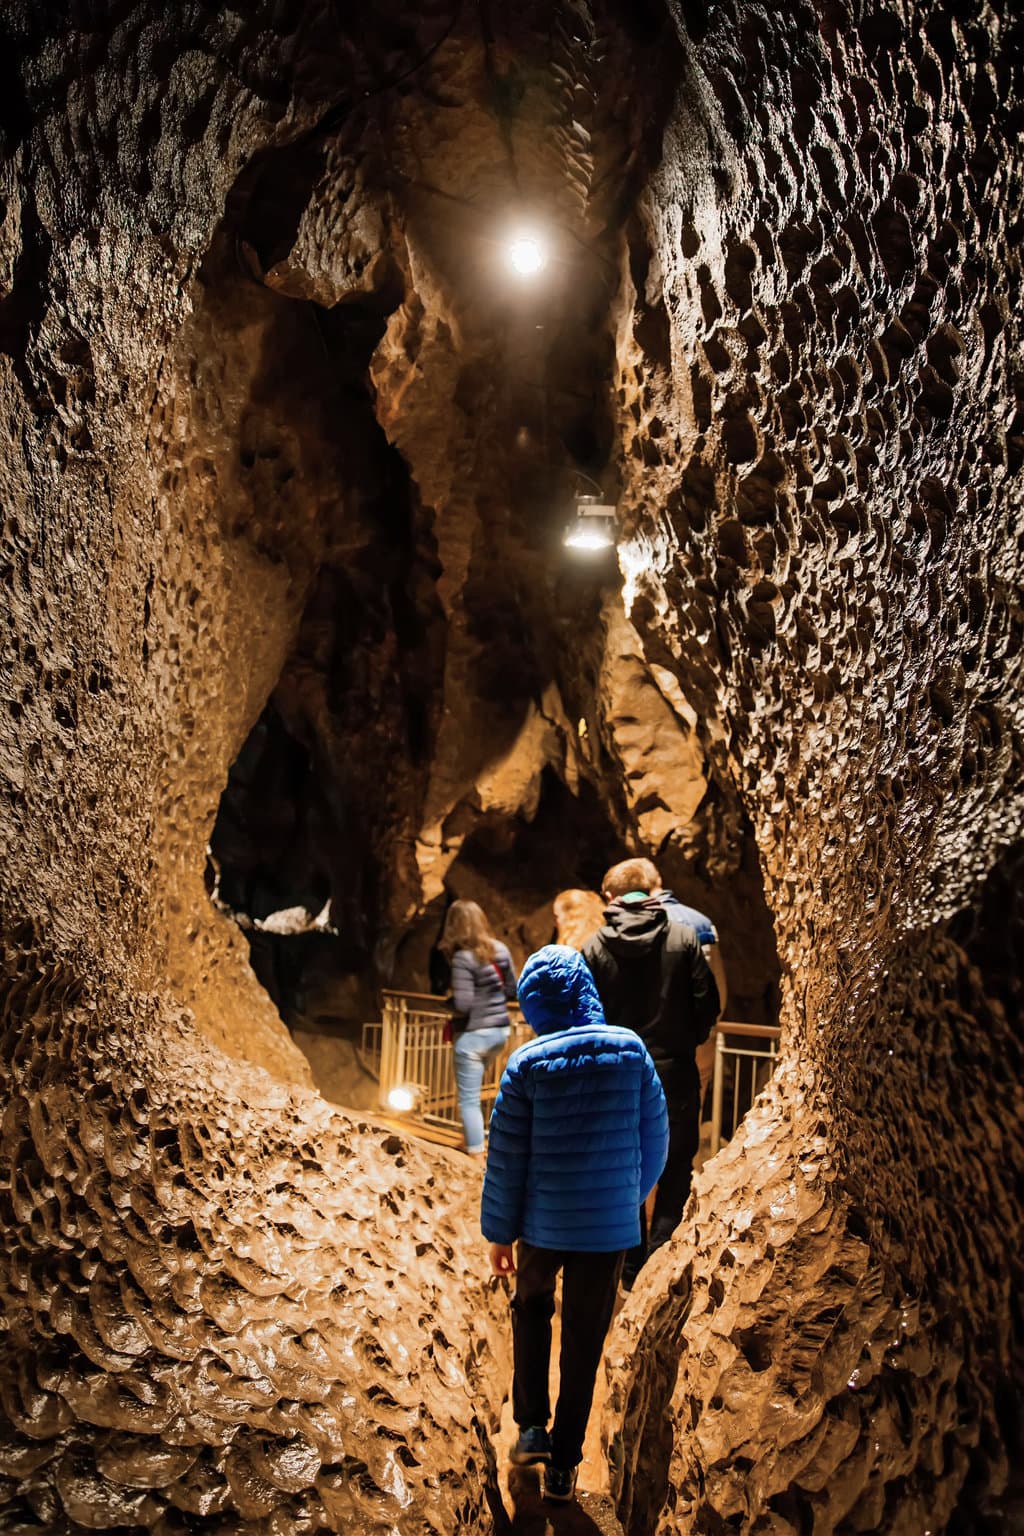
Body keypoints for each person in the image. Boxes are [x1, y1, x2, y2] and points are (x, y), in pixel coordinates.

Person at [482, 945, 668, 1503]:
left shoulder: (526, 1065)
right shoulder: (631, 1051)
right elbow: (656, 1138)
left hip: (542, 1226)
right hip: (608, 1230)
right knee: (585, 1339)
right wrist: (623, 1199)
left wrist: (498, 1232)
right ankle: (565, 1465)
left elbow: (506, 1158)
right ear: (586, 988)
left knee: (532, 1312)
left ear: (534, 1006)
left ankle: (531, 1426)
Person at [583, 858, 719, 1284]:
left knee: (627, 1167)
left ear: (611, 897)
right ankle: (663, 1261)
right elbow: (707, 1004)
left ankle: (630, 1268)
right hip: (674, 1072)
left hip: (618, 1077)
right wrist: (684, 1042)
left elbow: (586, 1016)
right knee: (676, 1163)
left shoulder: (593, 947)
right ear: (653, 889)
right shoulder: (683, 937)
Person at [438, 899, 517, 1155]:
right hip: (500, 1032)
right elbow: (511, 990)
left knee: (469, 1098)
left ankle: (474, 1153)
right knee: (481, 1089)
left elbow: (463, 1004)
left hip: (473, 1036)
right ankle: (474, 1139)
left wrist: (446, 1004)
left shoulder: (462, 958)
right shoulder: (501, 950)